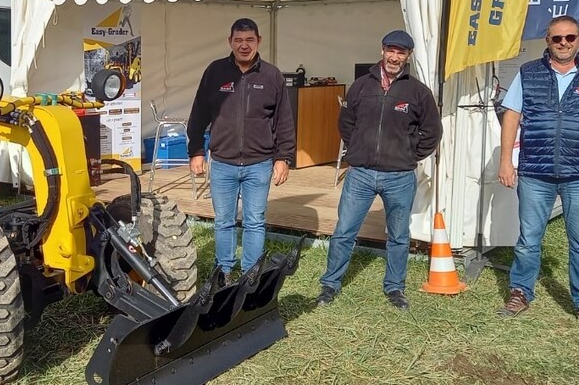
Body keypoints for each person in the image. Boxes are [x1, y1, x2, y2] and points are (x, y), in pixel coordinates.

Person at [496, 15, 579, 331]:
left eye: (570, 37)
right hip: (535, 172)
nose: (564, 43)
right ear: (547, 41)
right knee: (528, 240)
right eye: (557, 39)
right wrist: (505, 161)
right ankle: (520, 292)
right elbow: (512, 116)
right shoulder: (529, 73)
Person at [317, 30, 441, 310]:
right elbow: (345, 123)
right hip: (360, 174)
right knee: (344, 230)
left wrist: (409, 155)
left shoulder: (418, 92)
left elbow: (432, 132)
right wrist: (358, 150)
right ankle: (330, 284)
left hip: (399, 176)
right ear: (382, 50)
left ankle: (395, 288)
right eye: (391, 50)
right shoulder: (361, 86)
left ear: (408, 56)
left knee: (398, 235)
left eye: (401, 52)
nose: (395, 57)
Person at [187, 18, 296, 283]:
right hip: (222, 162)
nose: (243, 46)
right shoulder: (215, 72)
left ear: (259, 41)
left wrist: (283, 157)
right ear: (230, 42)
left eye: (249, 40)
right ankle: (223, 271)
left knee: (254, 221)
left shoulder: (272, 76)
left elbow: (284, 120)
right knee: (223, 221)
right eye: (238, 40)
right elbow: (199, 113)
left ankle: (250, 273)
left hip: (259, 164)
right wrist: (196, 151)